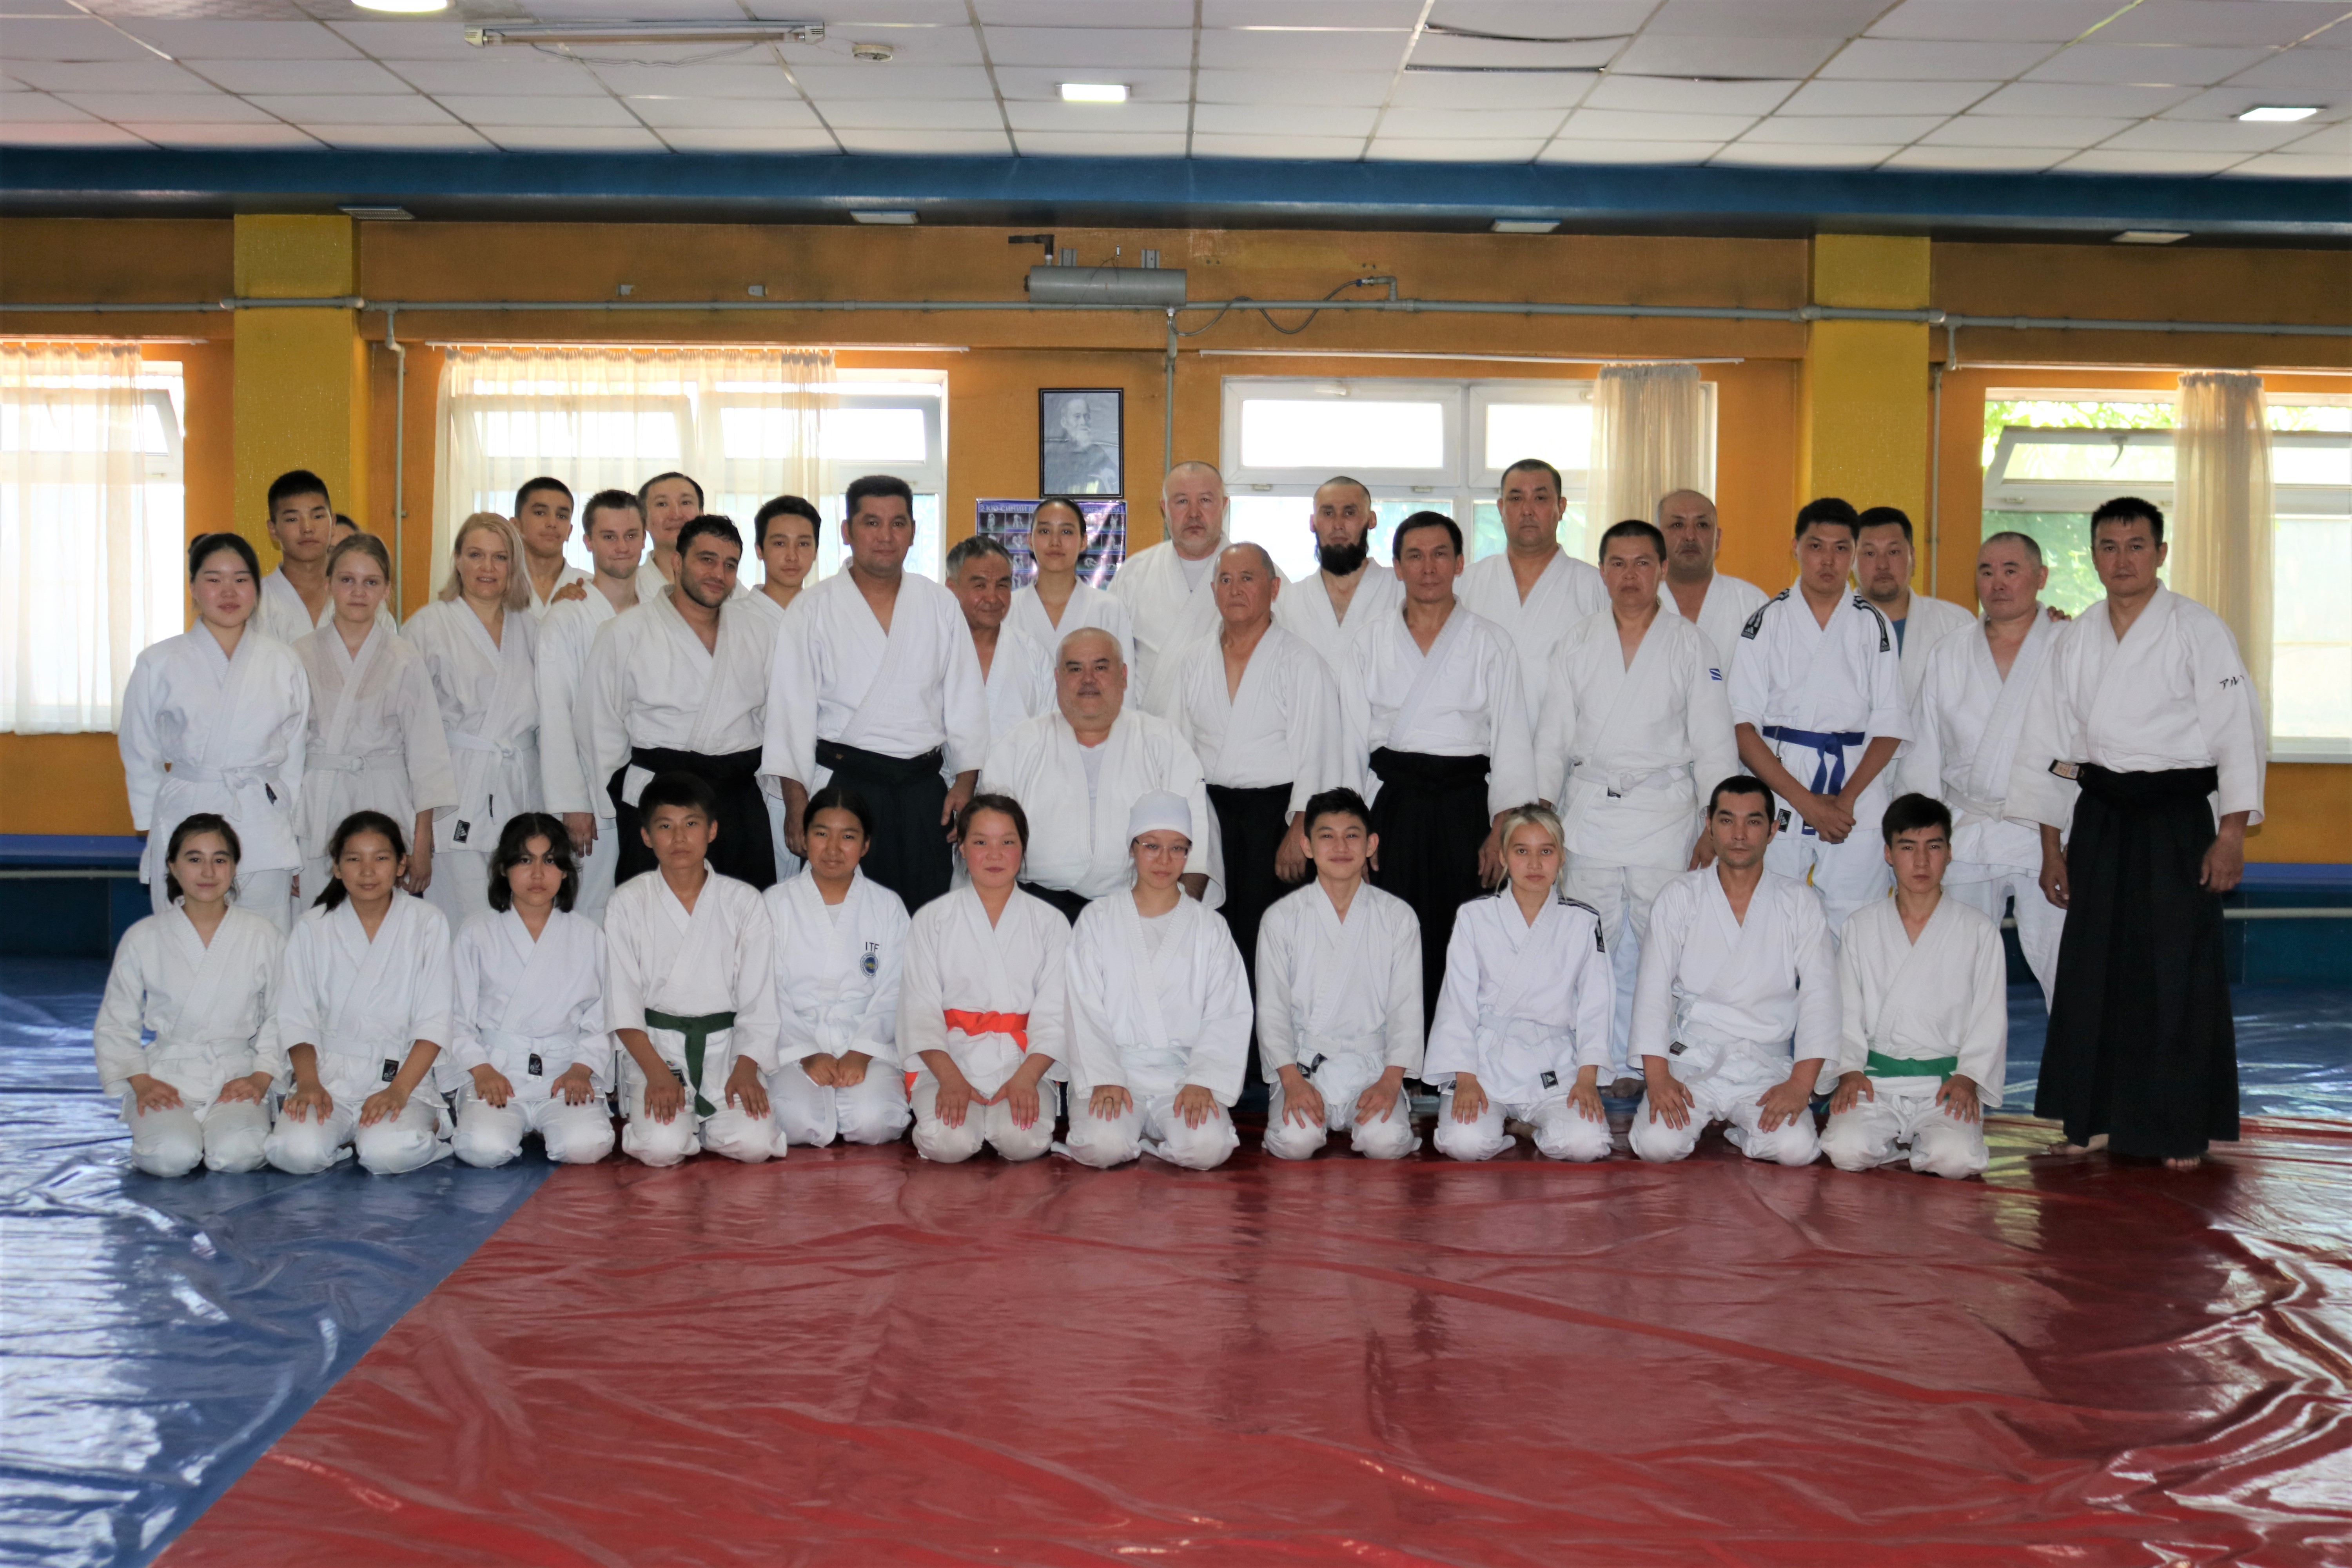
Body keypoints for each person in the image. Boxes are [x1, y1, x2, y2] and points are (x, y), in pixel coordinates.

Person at [2010, 497, 2264, 1170]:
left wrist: (2231, 834)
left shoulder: (2198, 629)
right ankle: (2091, 1117)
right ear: (2093, 555)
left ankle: (2177, 1126)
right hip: (2101, 817)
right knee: (2092, 969)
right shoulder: (2075, 639)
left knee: (2175, 969)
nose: (2121, 559)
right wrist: (2051, 847)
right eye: (2108, 546)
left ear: (2161, 553)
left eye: (2136, 545)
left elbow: (2237, 734)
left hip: (2177, 819)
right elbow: (2050, 747)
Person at [1535, 519, 1737, 1092]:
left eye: (1643, 563)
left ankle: (1652, 1062)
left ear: (1663, 570)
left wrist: (1715, 822)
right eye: (1618, 564)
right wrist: (1542, 812)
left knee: (1663, 944)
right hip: (1591, 811)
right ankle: (1594, 1060)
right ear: (1602, 571)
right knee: (1590, 940)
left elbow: (1715, 742)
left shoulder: (1692, 644)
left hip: (1664, 812)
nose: (1630, 575)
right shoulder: (1576, 642)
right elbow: (1552, 738)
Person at [763, 474, 988, 912]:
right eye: (871, 523)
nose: (886, 536)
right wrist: (796, 804)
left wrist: (966, 781)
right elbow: (790, 712)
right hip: (844, 785)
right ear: (847, 531)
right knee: (843, 911)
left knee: (926, 913)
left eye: (898, 523)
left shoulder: (939, 604)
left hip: (923, 788)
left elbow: (966, 699)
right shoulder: (812, 608)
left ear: (913, 531)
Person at [1359, 511, 1537, 1025]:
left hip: (1465, 806)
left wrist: (1502, 828)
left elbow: (1512, 740)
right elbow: (1348, 738)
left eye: (1440, 555)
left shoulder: (1491, 641)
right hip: (1394, 804)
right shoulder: (1370, 641)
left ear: (1460, 564)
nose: (1428, 567)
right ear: (1397, 567)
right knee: (1393, 932)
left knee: (1466, 932)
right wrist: (1357, 828)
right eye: (1414, 556)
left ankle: (1459, 1053)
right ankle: (1400, 1056)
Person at [1159, 541, 1345, 1002]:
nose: (1235, 589)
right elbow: (1178, 754)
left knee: (1271, 942)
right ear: (1214, 592)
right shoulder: (1193, 661)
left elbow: (1319, 751)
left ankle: (1271, 1044)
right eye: (1225, 580)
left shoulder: (1302, 662)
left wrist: (1300, 829)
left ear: (1274, 588)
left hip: (1275, 818)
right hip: (1210, 815)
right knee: (1210, 941)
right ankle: (1219, 1042)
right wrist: (1179, 833)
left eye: (1248, 579)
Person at [1627, 777, 1835, 1168]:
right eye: (1727, 821)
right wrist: (1658, 1079)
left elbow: (1820, 996)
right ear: (1709, 825)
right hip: (1692, 1058)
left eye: (1753, 822)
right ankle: (1723, 1121)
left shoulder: (1799, 902)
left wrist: (1799, 1085)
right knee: (1656, 1145)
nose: (1739, 834)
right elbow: (1653, 988)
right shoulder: (1680, 896)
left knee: (1795, 1149)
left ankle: (1743, 1131)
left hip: (1765, 1066)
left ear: (1773, 829)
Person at [1901, 532, 2068, 1006]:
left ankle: (2075, 1058)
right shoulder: (1951, 652)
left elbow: (2090, 749)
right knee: (1958, 973)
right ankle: (1961, 1058)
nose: (1997, 583)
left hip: (2049, 833)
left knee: (2066, 968)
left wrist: (2079, 836)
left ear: (2041, 577)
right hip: (1969, 829)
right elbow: (1924, 753)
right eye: (1986, 572)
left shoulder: (2070, 645)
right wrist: (1922, 839)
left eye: (2011, 571)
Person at [1729, 498, 1909, 935]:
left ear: (1854, 554)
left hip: (1856, 786)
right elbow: (1743, 730)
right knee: (1772, 920)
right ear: (1795, 548)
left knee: (1857, 922)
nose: (1828, 561)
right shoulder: (1765, 622)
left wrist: (1843, 802)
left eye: (1841, 548)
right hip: (1781, 781)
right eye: (1816, 546)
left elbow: (1890, 727)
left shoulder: (1874, 625)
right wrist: (1807, 803)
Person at [120, 533, 309, 933]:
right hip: (188, 811)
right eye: (214, 579)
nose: (228, 591)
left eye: (241, 579)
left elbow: (295, 755)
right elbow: (139, 749)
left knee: (265, 938)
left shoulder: (284, 662)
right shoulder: (158, 662)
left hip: (263, 818)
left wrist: (291, 826)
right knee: (184, 936)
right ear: (193, 587)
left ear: (256, 590)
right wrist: (151, 822)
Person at [585, 515, 781, 891]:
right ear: (677, 562)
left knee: (742, 912)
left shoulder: (758, 631)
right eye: (707, 560)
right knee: (656, 914)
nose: (718, 574)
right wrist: (629, 798)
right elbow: (599, 726)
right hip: (661, 797)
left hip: (737, 798)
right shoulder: (624, 632)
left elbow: (775, 718)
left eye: (730, 565)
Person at [1063, 792, 1254, 1171]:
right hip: (1115, 1072)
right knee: (1101, 1147)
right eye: (1152, 846)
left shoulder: (1210, 927)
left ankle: (1147, 1140)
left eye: (1177, 848)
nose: (1164, 860)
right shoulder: (1098, 919)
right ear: (1132, 848)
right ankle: (1135, 1137)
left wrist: (1203, 1079)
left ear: (1188, 853)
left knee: (1209, 1149)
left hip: (1182, 1077)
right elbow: (1082, 1007)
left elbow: (1228, 1011)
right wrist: (1104, 1075)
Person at [1820, 795, 2007, 1181]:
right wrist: (1849, 1069)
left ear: (1949, 852)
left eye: (1933, 847)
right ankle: (1898, 1143)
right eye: (1908, 847)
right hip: (1875, 1080)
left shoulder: (1978, 930)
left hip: (1945, 1083)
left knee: (1956, 1161)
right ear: (1889, 854)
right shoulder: (1861, 926)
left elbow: (1990, 1015)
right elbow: (1845, 1010)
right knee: (1845, 1150)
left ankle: (1931, 1141)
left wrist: (1969, 1077)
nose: (1921, 862)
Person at [263, 811, 457, 1176]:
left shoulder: (427, 922)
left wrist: (399, 1091)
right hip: (328, 1076)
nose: (368, 871)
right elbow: (296, 1017)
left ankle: (424, 1124)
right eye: (354, 859)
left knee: (387, 1154)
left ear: (401, 865)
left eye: (381, 858)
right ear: (337, 868)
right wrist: (308, 1084)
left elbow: (435, 1020)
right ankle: (343, 1137)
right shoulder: (312, 927)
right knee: (294, 1153)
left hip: (401, 1074)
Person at [603, 771, 782, 1167]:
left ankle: (709, 1121)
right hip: (657, 1051)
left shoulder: (744, 901)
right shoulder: (627, 902)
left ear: (712, 830)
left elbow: (759, 999)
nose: (679, 838)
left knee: (754, 1145)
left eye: (691, 824)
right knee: (661, 1148)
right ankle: (678, 1124)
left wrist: (747, 1067)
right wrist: (656, 1073)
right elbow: (622, 1001)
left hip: (728, 1052)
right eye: (665, 826)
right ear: (646, 836)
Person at [978, 627, 1216, 923]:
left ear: (1124, 676)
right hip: (1033, 911)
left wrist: (1176, 919)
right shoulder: (1019, 745)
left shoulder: (1162, 741)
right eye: (1075, 669)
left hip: (1139, 909)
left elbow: (1196, 840)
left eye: (1101, 668)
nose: (1088, 679)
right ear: (1057, 679)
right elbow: (985, 840)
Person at [92, 815, 279, 1177]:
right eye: (195, 859)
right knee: (171, 1158)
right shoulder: (144, 936)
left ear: (234, 867)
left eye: (220, 859)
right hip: (167, 1076)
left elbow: (283, 1015)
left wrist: (261, 1077)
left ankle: (226, 1131)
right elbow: (116, 1021)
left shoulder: (263, 935)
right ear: (173, 867)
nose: (208, 871)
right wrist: (142, 1082)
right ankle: (176, 1134)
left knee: (238, 1156)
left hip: (237, 1074)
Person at [1426, 806, 1614, 1163]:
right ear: (1503, 856)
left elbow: (1596, 1005)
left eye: (1546, 851)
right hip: (1485, 1062)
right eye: (1522, 851)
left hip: (1553, 1061)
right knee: (1464, 1144)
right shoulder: (1475, 917)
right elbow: (1457, 1002)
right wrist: (1465, 1078)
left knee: (1586, 1145)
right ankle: (1507, 1127)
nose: (1535, 863)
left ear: (1561, 857)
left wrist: (1587, 1078)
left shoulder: (1583, 921)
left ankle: (1527, 1128)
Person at [897, 795, 1072, 1164]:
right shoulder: (932, 920)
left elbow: (1056, 1014)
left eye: (1007, 842)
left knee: (1023, 1142)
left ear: (1023, 848)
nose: (995, 855)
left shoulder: (1050, 923)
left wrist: (1027, 1078)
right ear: (961, 848)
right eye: (981, 842)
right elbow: (919, 1009)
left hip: (1023, 1061)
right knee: (949, 1143)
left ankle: (1003, 1116)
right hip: (949, 1059)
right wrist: (950, 1078)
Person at [1255, 788, 1423, 1160]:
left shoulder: (1398, 917)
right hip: (1305, 1067)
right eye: (1327, 836)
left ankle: (1382, 1112)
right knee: (1294, 1143)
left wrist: (1390, 1081)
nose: (1341, 846)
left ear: (1371, 844)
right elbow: (1271, 1011)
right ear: (1307, 846)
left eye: (1352, 835)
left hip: (1372, 1069)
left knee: (1387, 1143)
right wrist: (1292, 1082)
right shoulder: (1281, 919)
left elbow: (1407, 1009)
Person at [291, 532, 455, 911]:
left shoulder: (405, 658)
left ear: (386, 591)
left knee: (387, 918)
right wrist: (287, 846)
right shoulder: (299, 654)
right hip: (320, 801)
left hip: (386, 797)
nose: (358, 592)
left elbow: (427, 756)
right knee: (319, 920)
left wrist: (421, 844)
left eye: (371, 582)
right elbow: (286, 755)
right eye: (347, 580)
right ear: (328, 583)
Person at [446, 814, 617, 1169]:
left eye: (550, 861)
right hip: (498, 1071)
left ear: (566, 871)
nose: (538, 874)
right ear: (504, 868)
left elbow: (602, 1016)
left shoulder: (588, 935)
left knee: (587, 1147)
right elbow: (456, 1017)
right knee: (483, 1149)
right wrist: (481, 1070)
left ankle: (549, 1121)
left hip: (564, 1071)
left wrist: (582, 1068)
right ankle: (505, 1122)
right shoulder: (476, 932)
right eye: (525, 860)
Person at [404, 512, 542, 927]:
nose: (487, 567)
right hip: (455, 792)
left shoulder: (532, 628)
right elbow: (411, 735)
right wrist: (419, 830)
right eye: (476, 555)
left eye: (500, 557)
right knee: (462, 922)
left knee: (517, 919)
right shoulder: (427, 626)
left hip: (520, 788)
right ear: (458, 560)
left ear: (513, 566)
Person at [762, 786, 913, 1149]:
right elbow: (764, 987)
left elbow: (898, 987)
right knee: (794, 1121)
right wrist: (806, 1052)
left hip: (865, 1041)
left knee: (875, 1122)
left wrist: (862, 1051)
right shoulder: (775, 903)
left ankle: (858, 1090)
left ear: (865, 845)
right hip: (793, 1045)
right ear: (804, 838)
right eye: (821, 834)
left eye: (847, 837)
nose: (833, 849)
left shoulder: (887, 905)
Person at [537, 490, 645, 922]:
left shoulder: (659, 612)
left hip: (646, 786)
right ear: (588, 542)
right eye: (608, 536)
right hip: (591, 791)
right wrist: (572, 801)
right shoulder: (566, 618)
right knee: (589, 910)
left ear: (645, 538)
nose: (621, 546)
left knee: (641, 909)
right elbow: (554, 714)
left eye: (631, 535)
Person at [1272, 475, 1402, 783]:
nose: (1339, 524)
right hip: (1306, 762)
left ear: (1371, 520)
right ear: (1313, 522)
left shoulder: (1401, 593)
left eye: (1350, 512)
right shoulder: (1287, 602)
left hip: (1384, 767)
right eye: (1328, 513)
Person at [1457, 457, 1606, 717]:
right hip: (1481, 738)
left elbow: (1607, 678)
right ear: (1501, 508)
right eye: (1516, 499)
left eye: (1540, 498)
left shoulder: (1596, 587)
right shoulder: (1466, 583)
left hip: (1565, 739)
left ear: (1561, 507)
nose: (1527, 510)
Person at [1108, 461, 1229, 702]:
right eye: (1182, 501)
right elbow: (1108, 657)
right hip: (1149, 723)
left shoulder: (1258, 574)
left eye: (1205, 500)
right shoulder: (1133, 574)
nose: (1194, 513)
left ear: (1224, 506)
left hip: (1229, 723)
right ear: (1164, 509)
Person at [1852, 506, 1976, 703]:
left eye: (1894, 552)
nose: (1883, 565)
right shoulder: (1830, 626)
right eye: (1869, 553)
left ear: (1913, 556)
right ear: (1851, 560)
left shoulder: (1956, 624)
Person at [254, 469, 391, 645]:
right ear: (273, 529)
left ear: (333, 524)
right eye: (292, 519)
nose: (307, 528)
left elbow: (390, 656)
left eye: (318, 516)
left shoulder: (363, 597)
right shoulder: (256, 602)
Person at [947, 534, 1053, 758]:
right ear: (952, 589)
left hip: (1022, 778)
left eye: (1002, 585)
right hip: (942, 779)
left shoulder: (1033, 655)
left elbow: (1052, 732)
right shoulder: (934, 650)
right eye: (980, 586)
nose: (992, 598)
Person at [1009, 497, 1136, 683]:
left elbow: (1124, 686)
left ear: (1084, 541)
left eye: (1066, 532)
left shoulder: (1109, 609)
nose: (1055, 542)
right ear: (1030, 540)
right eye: (1045, 531)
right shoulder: (1008, 609)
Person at [1653, 489, 1768, 671]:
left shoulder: (1752, 605)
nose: (1690, 536)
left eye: (1702, 525)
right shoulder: (1633, 602)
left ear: (1718, 539)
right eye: (1677, 525)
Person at [514, 476, 589, 616]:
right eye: (540, 513)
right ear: (516, 525)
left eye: (562, 516)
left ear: (569, 531)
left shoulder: (587, 586)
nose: (552, 523)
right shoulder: (499, 584)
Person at [633, 471, 702, 596]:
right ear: (644, 519)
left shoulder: (724, 584)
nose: (676, 515)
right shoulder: (629, 589)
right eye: (662, 504)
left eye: (685, 503)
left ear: (701, 515)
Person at [753, 494, 820, 617]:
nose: (792, 557)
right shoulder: (731, 617)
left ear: (816, 551)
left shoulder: (826, 615)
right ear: (760, 550)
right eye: (780, 544)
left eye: (803, 544)